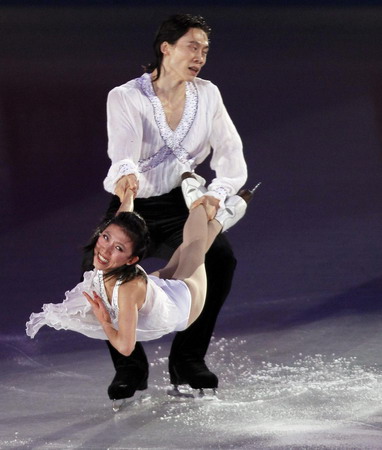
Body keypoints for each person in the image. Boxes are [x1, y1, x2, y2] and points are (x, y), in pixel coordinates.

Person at [82, 13, 247, 400]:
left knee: (220, 259)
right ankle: (130, 367)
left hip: (179, 203)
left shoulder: (208, 95)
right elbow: (122, 154)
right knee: (97, 268)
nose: (200, 56)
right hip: (135, 200)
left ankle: (188, 360)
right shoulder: (126, 97)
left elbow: (230, 154)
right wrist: (125, 192)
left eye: (205, 50)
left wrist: (215, 195)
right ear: (166, 47)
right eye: (193, 46)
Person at [26, 184, 252, 367]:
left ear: (132, 260)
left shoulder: (128, 289)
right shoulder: (115, 255)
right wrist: (129, 193)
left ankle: (206, 202)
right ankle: (222, 215)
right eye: (105, 237)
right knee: (189, 247)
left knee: (193, 245)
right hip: (156, 292)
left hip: (185, 303)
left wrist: (105, 322)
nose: (105, 250)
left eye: (118, 248)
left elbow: (125, 347)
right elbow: (123, 215)